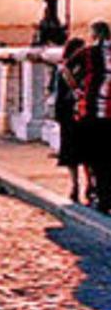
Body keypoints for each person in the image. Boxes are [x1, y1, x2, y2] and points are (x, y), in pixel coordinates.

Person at [69, 21, 111, 212]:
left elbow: (65, 68)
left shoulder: (87, 52)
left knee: (96, 156)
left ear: (93, 35)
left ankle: (102, 196)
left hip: (92, 111)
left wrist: (77, 89)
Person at [52, 37, 89, 203]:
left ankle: (81, 185)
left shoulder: (64, 68)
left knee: (77, 152)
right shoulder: (71, 69)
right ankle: (78, 185)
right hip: (75, 112)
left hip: (73, 113)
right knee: (77, 152)